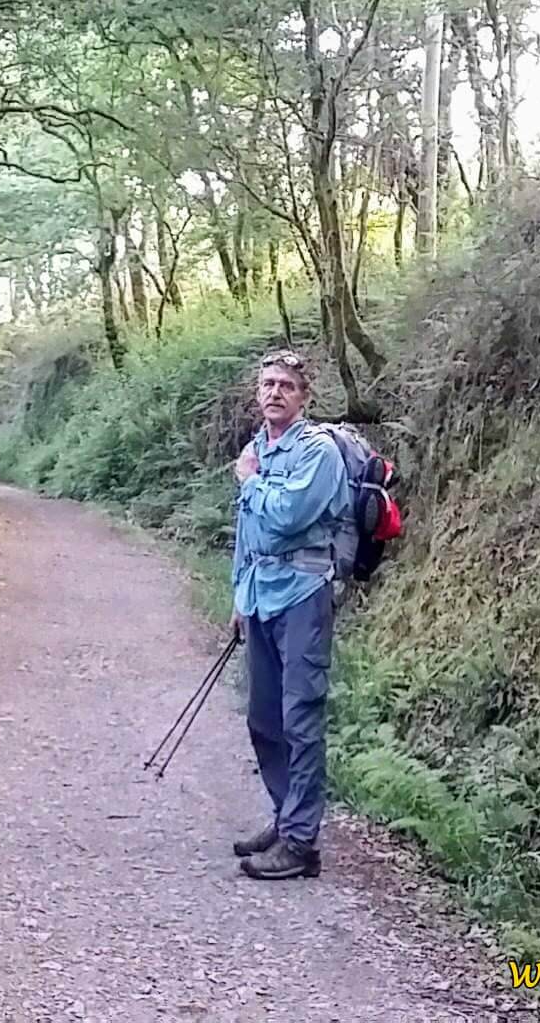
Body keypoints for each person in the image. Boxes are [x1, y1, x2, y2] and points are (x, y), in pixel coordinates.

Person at [228, 348, 348, 880]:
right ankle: (286, 817)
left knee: (300, 718)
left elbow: (286, 517)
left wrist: (251, 482)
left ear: (304, 396)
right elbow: (249, 534)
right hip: (260, 595)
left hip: (302, 593)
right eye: (267, 384)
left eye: (286, 385)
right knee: (264, 719)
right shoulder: (258, 447)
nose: (274, 392)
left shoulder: (318, 452)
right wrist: (238, 594)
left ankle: (301, 844)